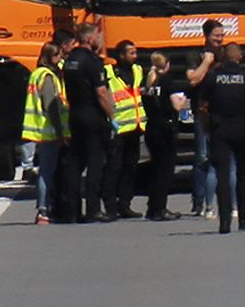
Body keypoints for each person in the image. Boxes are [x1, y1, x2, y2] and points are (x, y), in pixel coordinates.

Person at [196, 38, 245, 232]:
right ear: (240, 57)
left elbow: (202, 104)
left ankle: (224, 221)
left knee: (223, 175)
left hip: (220, 129)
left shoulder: (213, 77)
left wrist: (206, 125)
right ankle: (244, 218)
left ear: (223, 57)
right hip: (244, 129)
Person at [62, 23, 116, 222]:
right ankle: (93, 209)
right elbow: (101, 93)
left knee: (75, 163)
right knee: (95, 163)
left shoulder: (70, 60)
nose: (99, 39)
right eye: (97, 36)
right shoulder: (92, 61)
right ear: (90, 38)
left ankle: (73, 210)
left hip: (75, 114)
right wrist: (112, 116)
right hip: (92, 114)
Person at [21, 41, 69, 224]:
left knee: (46, 172)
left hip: (41, 130)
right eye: (58, 56)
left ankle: (44, 207)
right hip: (48, 131)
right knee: (47, 172)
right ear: (50, 57)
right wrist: (60, 132)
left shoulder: (37, 74)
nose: (61, 59)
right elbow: (52, 106)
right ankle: (43, 210)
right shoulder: (47, 76)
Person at [184, 20, 227, 218]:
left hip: (224, 110)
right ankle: (199, 201)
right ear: (206, 35)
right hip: (203, 111)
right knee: (202, 156)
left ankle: (223, 200)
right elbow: (193, 79)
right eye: (216, 35)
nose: (220, 39)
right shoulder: (195, 55)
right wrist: (207, 62)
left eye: (222, 35)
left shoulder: (225, 54)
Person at [102, 39, 145, 219]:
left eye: (135, 53)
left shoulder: (138, 70)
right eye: (131, 53)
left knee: (130, 167)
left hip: (135, 125)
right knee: (114, 167)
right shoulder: (108, 72)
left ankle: (125, 204)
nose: (135, 56)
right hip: (117, 127)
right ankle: (110, 206)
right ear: (121, 55)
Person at [139, 51, 183, 221]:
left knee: (155, 169)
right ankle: (160, 208)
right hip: (166, 129)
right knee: (165, 171)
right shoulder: (167, 81)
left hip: (151, 127)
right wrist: (182, 99)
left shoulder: (147, 82)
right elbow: (177, 105)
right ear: (167, 65)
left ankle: (152, 207)